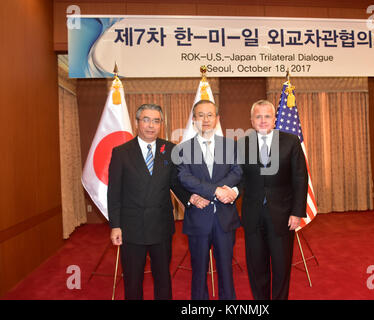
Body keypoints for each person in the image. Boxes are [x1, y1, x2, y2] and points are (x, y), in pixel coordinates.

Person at [107, 103, 192, 300]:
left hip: (161, 226)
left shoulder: (169, 149)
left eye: (156, 121)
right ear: (137, 122)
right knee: (133, 279)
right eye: (146, 120)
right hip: (131, 227)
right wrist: (115, 225)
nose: (151, 125)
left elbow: (176, 184)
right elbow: (114, 192)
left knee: (163, 278)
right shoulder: (121, 152)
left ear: (161, 123)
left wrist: (192, 199)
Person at [237, 99, 308, 300]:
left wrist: (297, 212)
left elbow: (300, 178)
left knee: (281, 267)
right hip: (253, 216)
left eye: (267, 116)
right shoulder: (242, 144)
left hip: (283, 216)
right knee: (256, 268)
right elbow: (237, 176)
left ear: (274, 119)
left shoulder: (290, 141)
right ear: (251, 120)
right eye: (258, 116)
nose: (262, 120)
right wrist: (228, 191)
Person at [176, 100, 242, 300]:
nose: (205, 119)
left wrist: (224, 191)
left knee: (226, 270)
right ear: (194, 119)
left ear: (217, 119)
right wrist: (217, 191)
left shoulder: (231, 145)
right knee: (198, 271)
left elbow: (238, 171)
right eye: (200, 115)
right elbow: (184, 177)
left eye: (210, 115)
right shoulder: (183, 149)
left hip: (225, 219)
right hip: (198, 219)